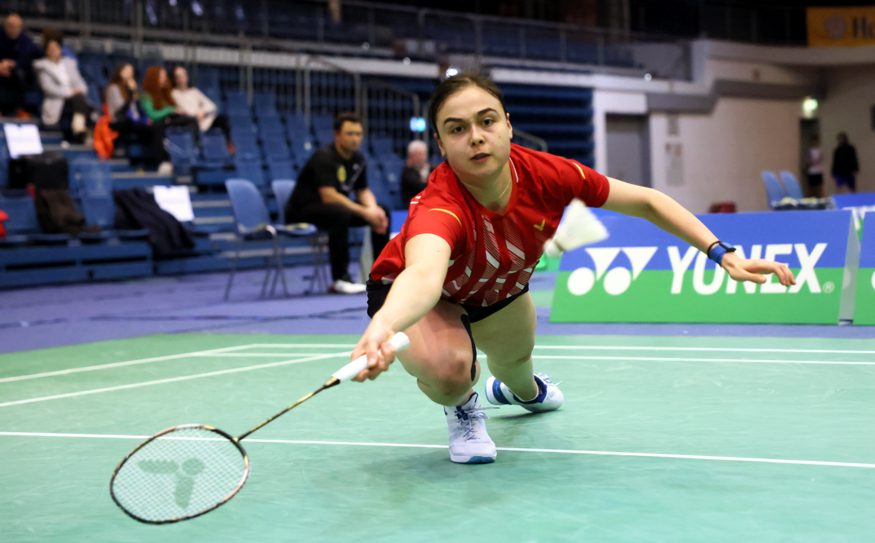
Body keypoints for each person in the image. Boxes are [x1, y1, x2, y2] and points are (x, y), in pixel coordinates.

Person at [349, 73, 797, 465]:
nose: (476, 137)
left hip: (496, 288)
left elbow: (645, 201)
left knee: (516, 367)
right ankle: (462, 407)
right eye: (457, 129)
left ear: (507, 124)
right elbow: (425, 277)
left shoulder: (548, 174)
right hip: (421, 298)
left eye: (487, 121)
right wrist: (384, 325)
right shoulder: (440, 206)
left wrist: (722, 252)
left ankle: (519, 390)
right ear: (441, 144)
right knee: (450, 371)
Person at [285, 112, 390, 295]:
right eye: (350, 134)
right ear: (337, 135)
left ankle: (380, 276)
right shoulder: (324, 157)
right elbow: (329, 196)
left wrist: (373, 211)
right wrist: (365, 213)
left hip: (333, 209)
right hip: (302, 211)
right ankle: (340, 279)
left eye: (358, 134)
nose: (355, 139)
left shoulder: (358, 159)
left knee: (383, 212)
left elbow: (362, 190)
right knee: (339, 214)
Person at [33, 36, 94, 143]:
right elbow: (48, 88)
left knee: (79, 98)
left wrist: (80, 89)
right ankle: (80, 129)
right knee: (84, 104)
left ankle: (79, 129)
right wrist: (70, 92)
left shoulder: (69, 64)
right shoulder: (42, 67)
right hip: (56, 100)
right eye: (50, 49)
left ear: (60, 49)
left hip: (75, 99)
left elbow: (79, 81)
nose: (53, 51)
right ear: (46, 51)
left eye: (56, 48)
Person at [140, 66, 199, 174]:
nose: (164, 79)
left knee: (191, 120)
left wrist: (176, 111)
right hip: (156, 124)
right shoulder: (146, 96)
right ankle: (162, 162)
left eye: (164, 76)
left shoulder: (166, 94)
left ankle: (194, 150)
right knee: (157, 127)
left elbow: (172, 109)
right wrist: (169, 110)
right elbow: (152, 115)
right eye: (161, 77)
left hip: (169, 122)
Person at [104, 63, 161, 168]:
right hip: (120, 121)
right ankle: (157, 162)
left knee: (156, 126)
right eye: (126, 70)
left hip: (134, 121)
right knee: (146, 128)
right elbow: (121, 110)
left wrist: (145, 119)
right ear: (120, 72)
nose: (130, 73)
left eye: (131, 71)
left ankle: (153, 162)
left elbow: (139, 109)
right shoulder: (113, 88)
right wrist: (131, 93)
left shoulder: (132, 89)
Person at [170, 65, 233, 152]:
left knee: (222, 119)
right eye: (178, 76)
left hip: (202, 119)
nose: (182, 78)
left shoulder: (194, 91)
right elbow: (176, 110)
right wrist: (192, 115)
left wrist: (202, 112)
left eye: (183, 75)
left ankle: (228, 146)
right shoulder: (173, 93)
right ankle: (197, 148)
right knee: (191, 121)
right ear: (175, 79)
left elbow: (212, 106)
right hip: (188, 121)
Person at [0, 12, 40, 118]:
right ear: (5, 26)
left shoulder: (26, 40)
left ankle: (19, 109)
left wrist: (12, 65)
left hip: (17, 74)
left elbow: (29, 56)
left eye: (17, 27)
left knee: (20, 74)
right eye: (11, 26)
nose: (14, 29)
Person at [401, 139, 430, 206]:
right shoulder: (407, 172)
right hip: (413, 206)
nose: (420, 158)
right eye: (416, 155)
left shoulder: (433, 169)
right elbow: (418, 186)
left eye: (421, 154)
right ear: (410, 156)